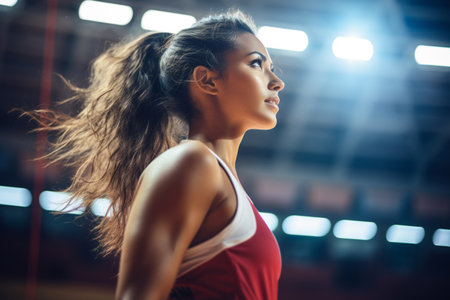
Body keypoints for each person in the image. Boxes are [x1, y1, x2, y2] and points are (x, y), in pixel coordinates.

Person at [31, 9, 284, 300]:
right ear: (207, 81)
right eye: (256, 64)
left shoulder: (223, 180)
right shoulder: (191, 163)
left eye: (272, 67)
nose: (277, 82)